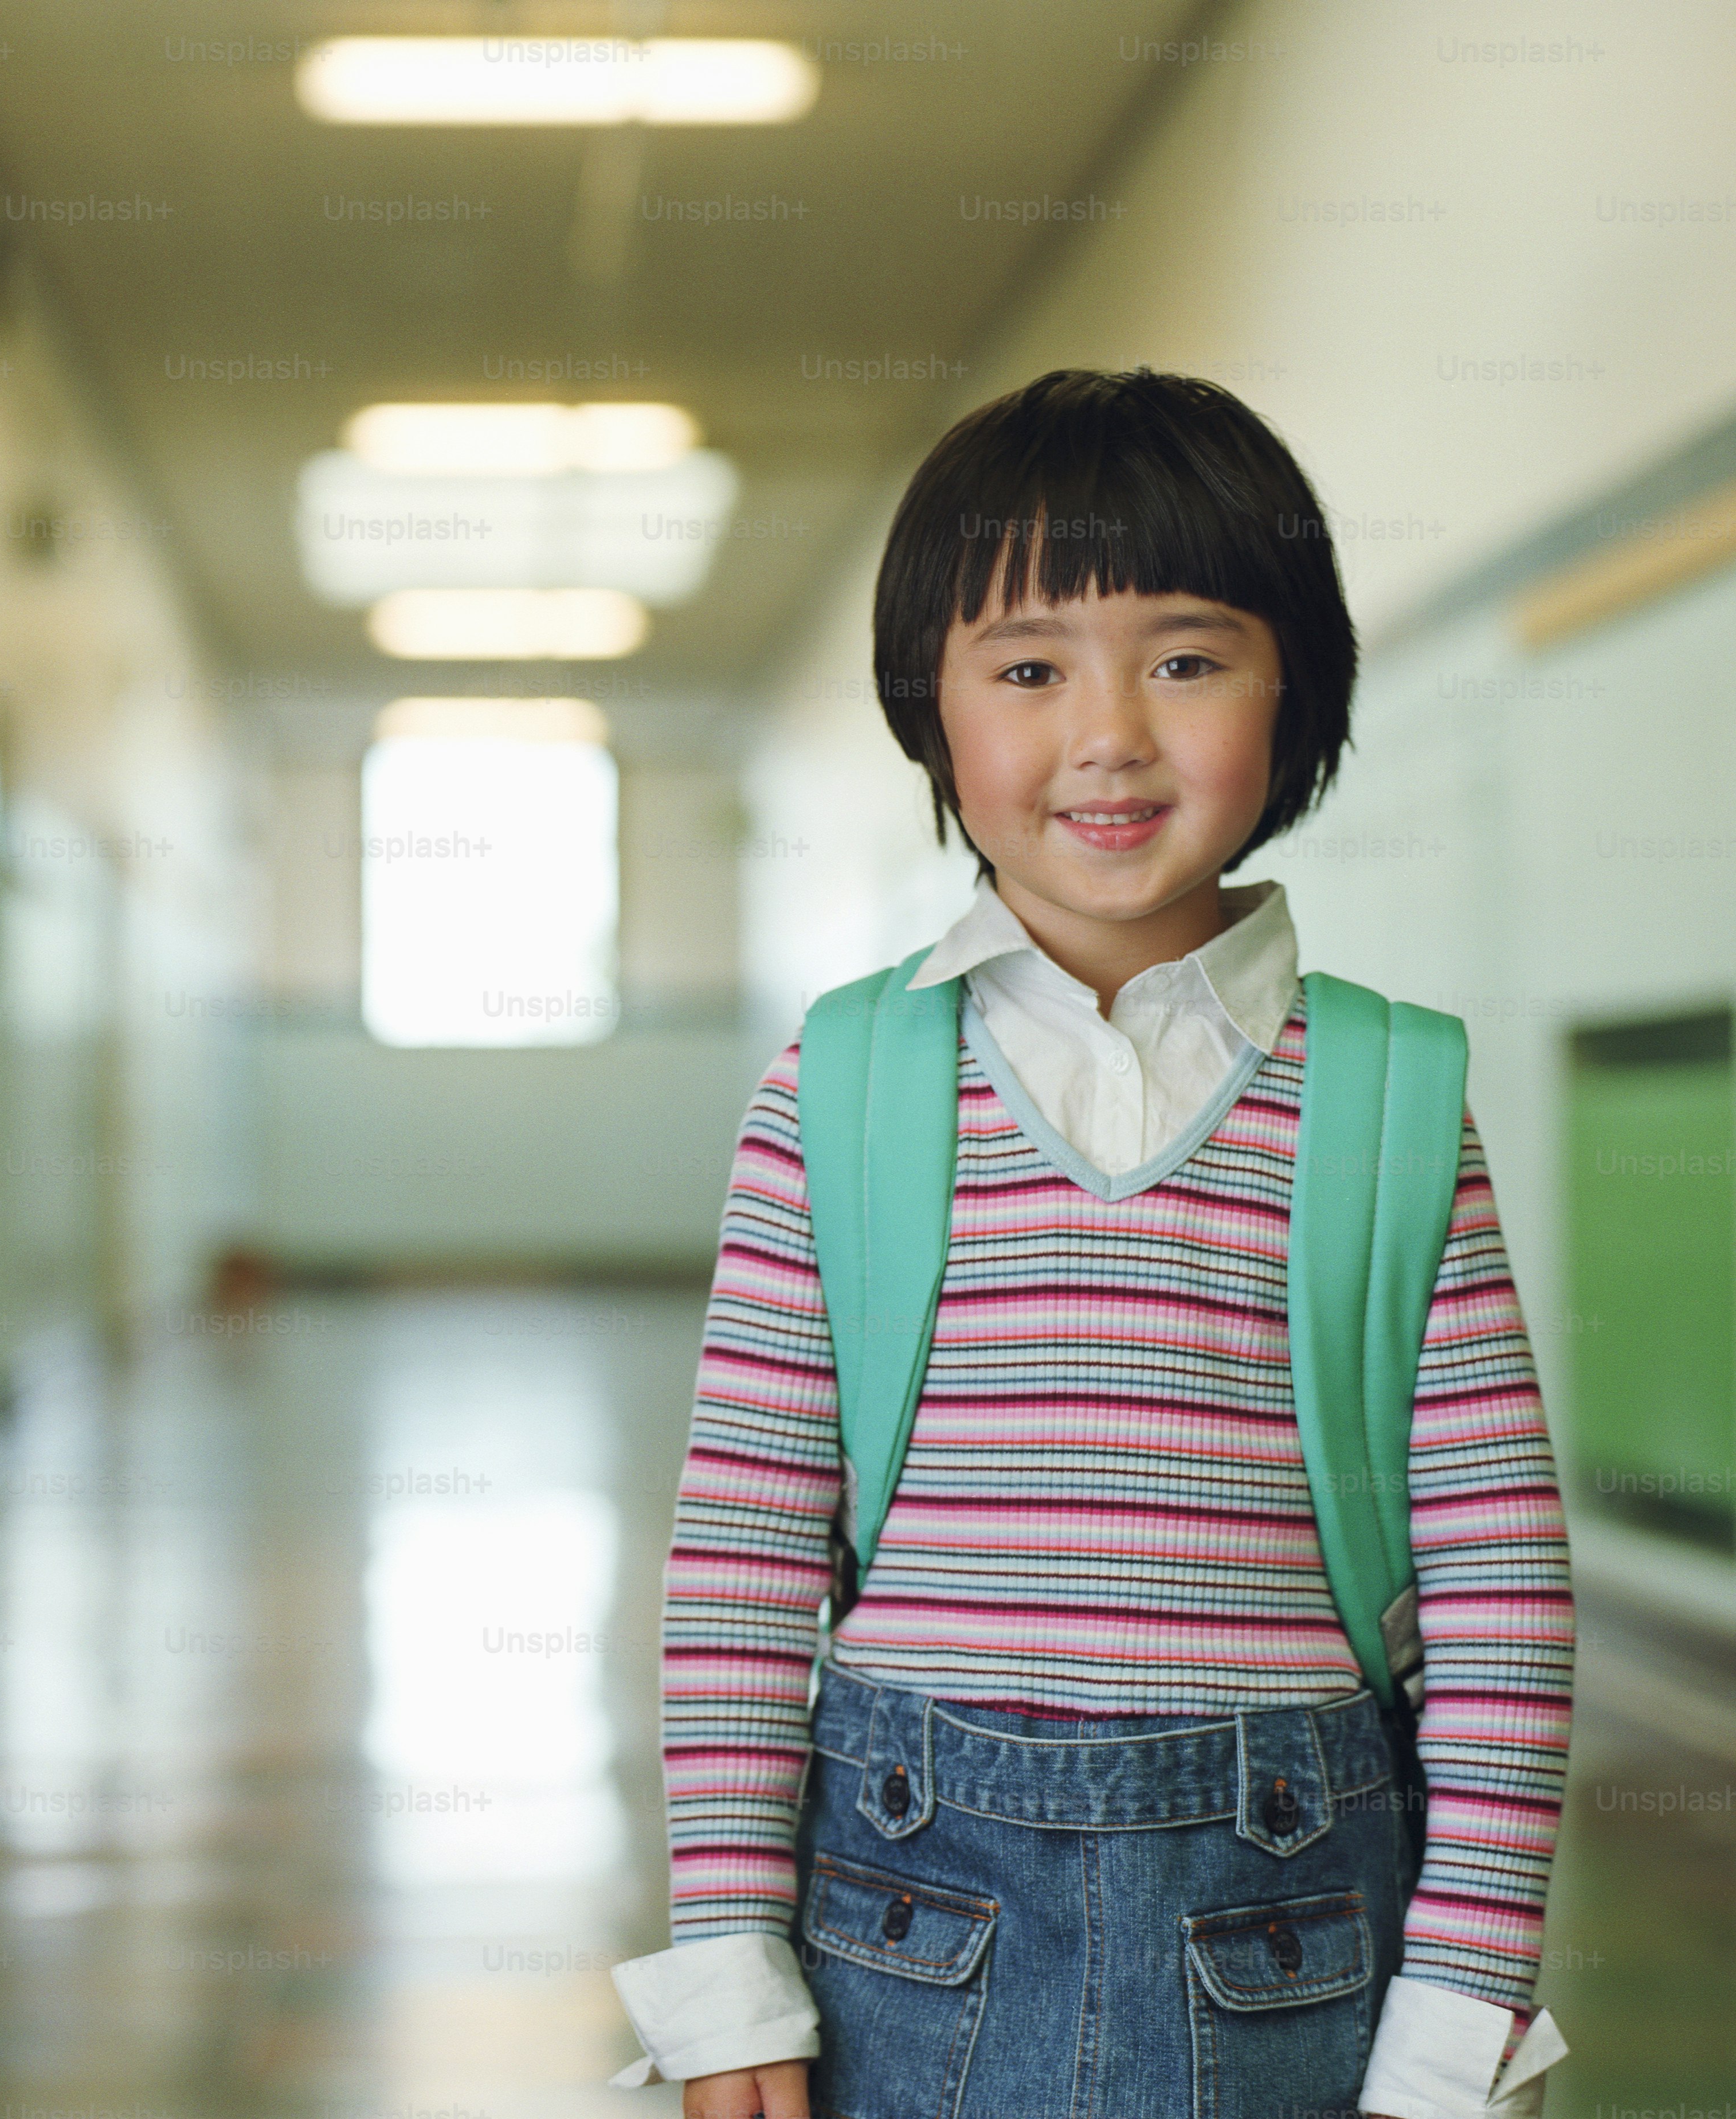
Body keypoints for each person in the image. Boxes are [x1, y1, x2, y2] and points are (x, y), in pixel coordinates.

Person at [605, 370, 1573, 2119]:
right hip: (906, 1913)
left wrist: (1468, 1986)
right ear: (933, 712)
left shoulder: (1391, 1093)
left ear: (1299, 692)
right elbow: (743, 1558)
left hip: (1296, 1926)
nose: (1108, 732)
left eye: (1186, 658)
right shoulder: (835, 1085)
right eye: (1029, 666)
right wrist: (726, 1959)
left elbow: (1498, 1589)